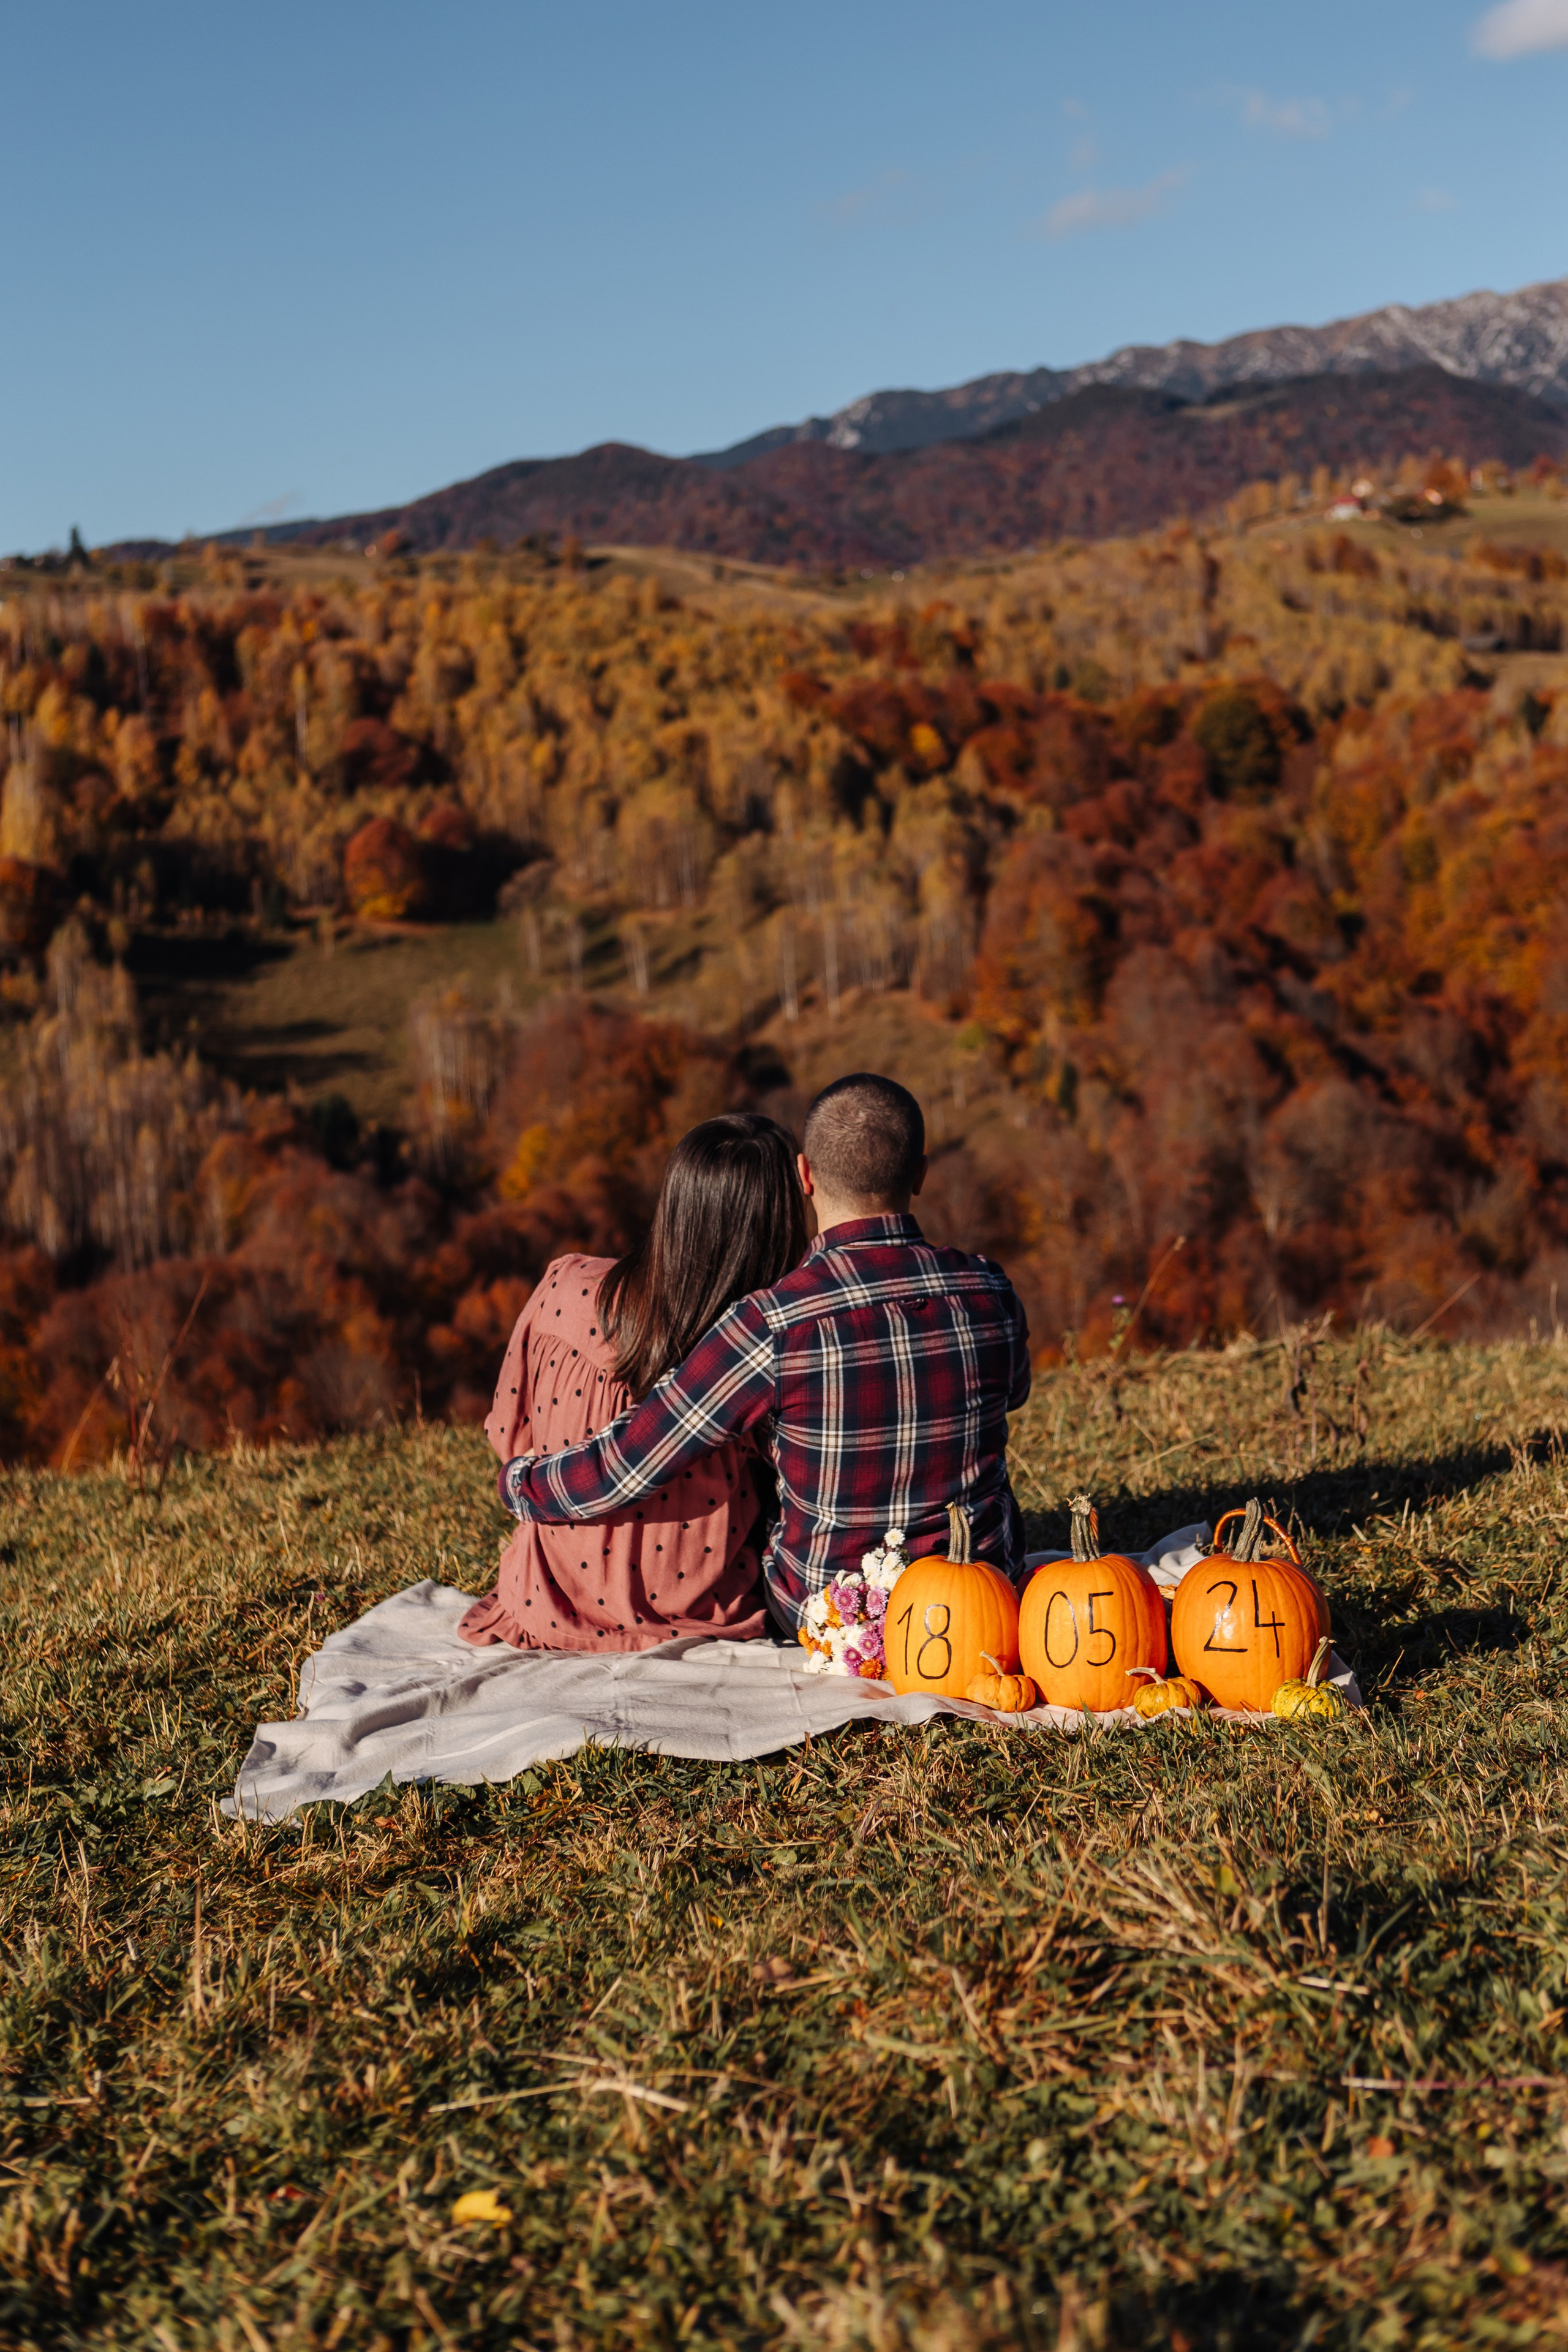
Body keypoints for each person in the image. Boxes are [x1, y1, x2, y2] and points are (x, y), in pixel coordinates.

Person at [497, 1072, 1031, 1634]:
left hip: (835, 1618)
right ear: (921, 1174)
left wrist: (520, 1483)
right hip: (985, 1596)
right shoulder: (990, 1289)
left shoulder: (770, 1322)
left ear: (805, 1176)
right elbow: (1013, 1393)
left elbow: (628, 1464)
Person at [458, 1112, 806, 1653]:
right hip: (703, 1616)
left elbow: (508, 1433)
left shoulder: (565, 1291)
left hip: (552, 1605)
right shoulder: (762, 1347)